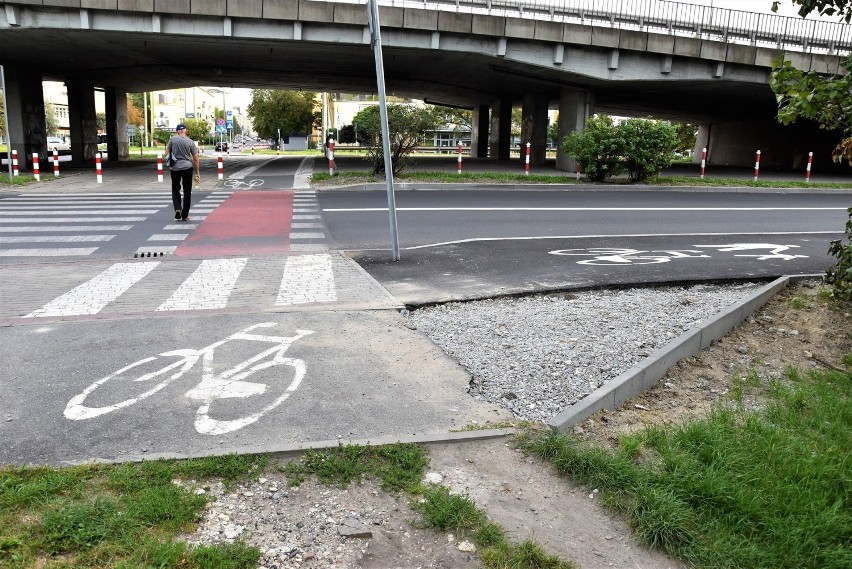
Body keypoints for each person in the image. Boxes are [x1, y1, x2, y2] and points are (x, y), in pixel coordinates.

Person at [166, 123, 200, 221]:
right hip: (187, 168)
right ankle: (185, 215)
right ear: (185, 131)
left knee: (175, 189)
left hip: (175, 168)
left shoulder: (172, 139)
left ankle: (177, 209)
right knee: (187, 191)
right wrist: (197, 172)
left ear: (177, 131)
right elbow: (196, 158)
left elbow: (166, 153)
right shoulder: (190, 142)